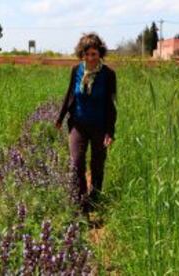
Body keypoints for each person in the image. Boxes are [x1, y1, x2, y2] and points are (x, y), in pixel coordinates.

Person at [54, 32, 117, 213]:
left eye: (94, 54)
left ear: (100, 54)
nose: (90, 58)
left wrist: (110, 132)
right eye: (86, 54)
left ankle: (94, 200)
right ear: (82, 54)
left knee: (97, 165)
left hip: (99, 126)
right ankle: (81, 202)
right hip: (78, 124)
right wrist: (60, 118)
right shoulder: (76, 70)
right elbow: (70, 95)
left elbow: (111, 105)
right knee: (76, 163)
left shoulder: (108, 75)